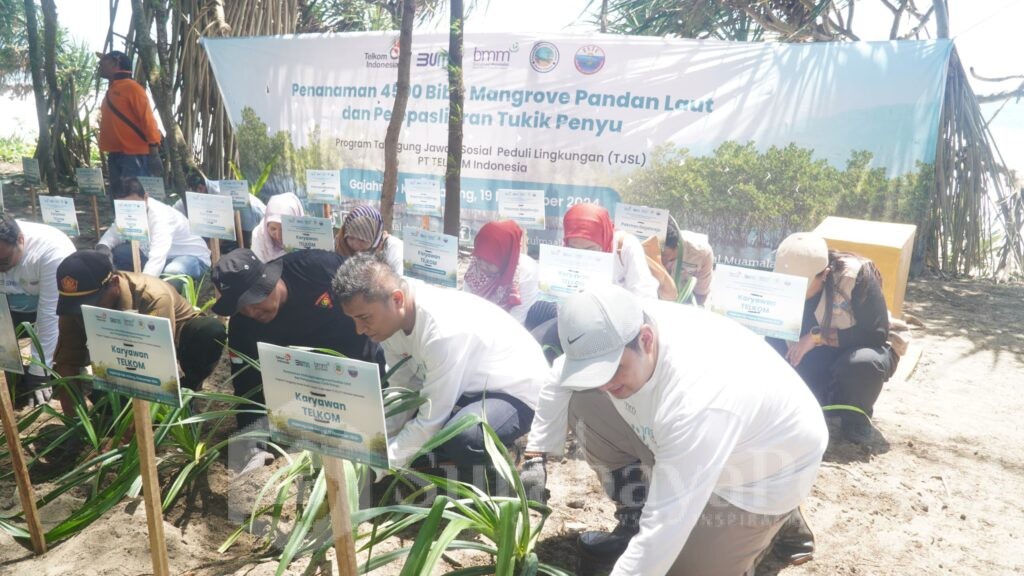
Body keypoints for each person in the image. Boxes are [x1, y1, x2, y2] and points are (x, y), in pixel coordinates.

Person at [520, 285, 828, 575]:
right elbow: (559, 374)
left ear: (646, 339)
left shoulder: (699, 398)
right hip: (693, 443)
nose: (604, 383)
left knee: (676, 567)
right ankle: (633, 512)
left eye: (614, 369)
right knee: (581, 398)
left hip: (764, 471)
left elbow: (664, 528)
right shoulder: (613, 332)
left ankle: (776, 520)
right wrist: (535, 456)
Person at [332, 253, 546, 475]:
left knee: (464, 436)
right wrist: (374, 445)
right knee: (419, 440)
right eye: (353, 319)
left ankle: (500, 475)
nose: (359, 329)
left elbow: (430, 421)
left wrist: (378, 467)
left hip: (515, 391)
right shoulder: (393, 321)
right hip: (470, 383)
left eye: (365, 318)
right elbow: (402, 389)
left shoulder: (442, 332)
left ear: (397, 300)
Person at [210, 248, 383, 473]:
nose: (252, 312)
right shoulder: (242, 327)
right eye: (241, 307)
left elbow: (370, 299)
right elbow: (246, 386)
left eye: (254, 300)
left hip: (355, 360)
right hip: (301, 383)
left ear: (268, 281)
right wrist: (254, 445)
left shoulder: (318, 268)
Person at [51, 250, 225, 418]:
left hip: (170, 340)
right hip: (116, 355)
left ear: (114, 284)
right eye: (77, 305)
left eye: (92, 302)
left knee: (209, 331)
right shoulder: (74, 307)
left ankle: (188, 391)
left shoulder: (153, 296)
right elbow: (67, 362)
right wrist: (75, 422)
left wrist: (133, 434)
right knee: (108, 410)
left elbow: (156, 364)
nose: (83, 310)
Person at [770, 232, 899, 444]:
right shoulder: (777, 273)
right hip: (812, 355)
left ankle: (856, 419)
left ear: (825, 274)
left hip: (855, 349)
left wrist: (815, 338)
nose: (794, 288)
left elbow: (876, 333)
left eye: (802, 283)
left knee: (863, 362)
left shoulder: (856, 275)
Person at [0, 214, 75, 406]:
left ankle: (67, 372)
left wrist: (39, 371)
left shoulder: (51, 251)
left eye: (5, 261)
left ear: (21, 240)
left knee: (68, 335)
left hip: (56, 309)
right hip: (9, 307)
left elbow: (50, 314)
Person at [98, 177, 211, 289]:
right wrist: (103, 248)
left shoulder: (160, 216)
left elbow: (157, 257)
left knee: (173, 272)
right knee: (120, 252)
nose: (131, 210)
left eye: (135, 205)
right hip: (156, 255)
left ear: (145, 198)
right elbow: (113, 234)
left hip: (190, 257)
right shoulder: (127, 212)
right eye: (124, 207)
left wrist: (142, 287)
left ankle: (168, 297)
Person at [96, 50, 162, 196]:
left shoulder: (132, 89)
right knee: (118, 199)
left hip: (134, 155)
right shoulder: (113, 88)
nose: (100, 64)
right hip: (116, 154)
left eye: (104, 61)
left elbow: (148, 119)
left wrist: (154, 152)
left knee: (133, 200)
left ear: (116, 63)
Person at [562, 203, 659, 299]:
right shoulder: (565, 250)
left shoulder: (626, 246)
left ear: (604, 237)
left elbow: (645, 295)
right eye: (574, 249)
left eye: (589, 249)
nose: (581, 257)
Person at [462, 220, 539, 325]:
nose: (483, 266)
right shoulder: (475, 265)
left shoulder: (526, 273)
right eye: (480, 258)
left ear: (506, 257)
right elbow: (467, 304)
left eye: (489, 262)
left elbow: (517, 321)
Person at [174, 169, 267, 251]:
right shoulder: (192, 195)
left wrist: (207, 254)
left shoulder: (218, 194)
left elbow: (223, 229)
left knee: (249, 249)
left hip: (256, 216)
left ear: (201, 188)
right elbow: (175, 210)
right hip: (235, 222)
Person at [658, 216, 714, 305]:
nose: (663, 262)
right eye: (657, 256)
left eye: (669, 258)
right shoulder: (637, 247)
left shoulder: (700, 253)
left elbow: (701, 293)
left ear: (678, 246)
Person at [335, 204, 403, 274]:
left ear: (375, 237)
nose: (356, 245)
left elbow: (397, 281)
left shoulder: (393, 248)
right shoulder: (341, 243)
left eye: (362, 240)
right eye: (351, 238)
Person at [250, 192, 304, 262]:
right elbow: (257, 267)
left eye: (284, 229)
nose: (278, 236)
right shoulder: (259, 235)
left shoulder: (307, 236)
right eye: (273, 229)